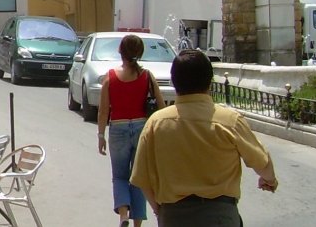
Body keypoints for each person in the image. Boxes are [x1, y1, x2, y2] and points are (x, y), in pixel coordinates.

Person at [131, 50, 277, 227]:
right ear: (209, 81)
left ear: (174, 82)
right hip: (220, 216)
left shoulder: (156, 123)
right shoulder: (229, 121)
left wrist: (160, 211)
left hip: (174, 216)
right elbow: (262, 163)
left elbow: (142, 178)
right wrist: (269, 180)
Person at [97, 35, 164, 227]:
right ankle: (137, 224)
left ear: (120, 51)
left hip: (118, 128)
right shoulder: (147, 76)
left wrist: (101, 135)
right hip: (142, 127)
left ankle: (123, 215)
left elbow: (103, 111)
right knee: (139, 177)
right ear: (140, 52)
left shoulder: (110, 77)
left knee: (119, 176)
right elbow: (161, 105)